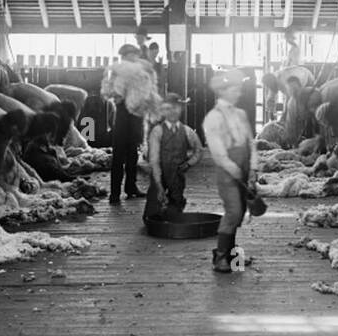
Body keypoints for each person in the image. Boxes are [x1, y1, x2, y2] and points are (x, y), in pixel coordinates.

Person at [202, 69, 258, 273]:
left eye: (238, 89)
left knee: (240, 211)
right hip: (227, 170)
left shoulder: (241, 114)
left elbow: (251, 143)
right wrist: (232, 168)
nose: (238, 93)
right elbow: (217, 151)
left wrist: (252, 168)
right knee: (233, 212)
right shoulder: (213, 118)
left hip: (243, 167)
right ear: (223, 91)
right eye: (234, 89)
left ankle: (234, 255)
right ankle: (220, 257)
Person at [144, 92, 203, 221]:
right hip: (159, 174)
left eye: (176, 108)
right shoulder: (157, 131)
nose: (172, 112)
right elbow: (153, 160)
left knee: (174, 218)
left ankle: (176, 206)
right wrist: (159, 186)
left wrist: (189, 163)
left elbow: (198, 150)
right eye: (168, 108)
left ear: (181, 109)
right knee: (151, 216)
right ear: (163, 111)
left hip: (177, 176)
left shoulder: (187, 131)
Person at [102, 44, 149, 204]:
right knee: (118, 156)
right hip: (122, 117)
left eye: (136, 56)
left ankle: (131, 187)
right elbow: (111, 94)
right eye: (132, 56)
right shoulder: (116, 73)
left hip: (136, 117)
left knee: (133, 154)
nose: (135, 58)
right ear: (125, 57)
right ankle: (114, 193)